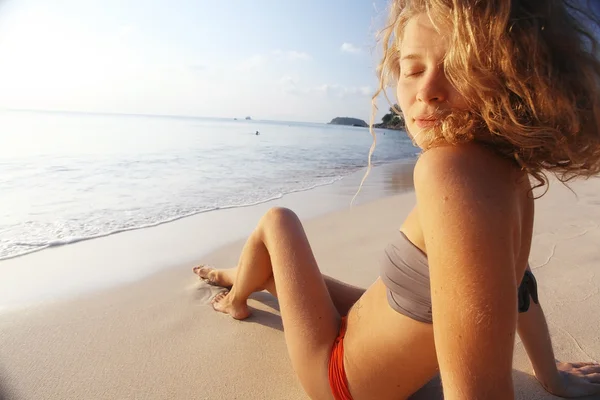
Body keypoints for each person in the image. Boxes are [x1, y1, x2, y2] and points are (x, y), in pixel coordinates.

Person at [194, 0, 600, 398]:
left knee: (278, 221)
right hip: (371, 331)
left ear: (514, 77)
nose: (427, 90)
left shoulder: (449, 171)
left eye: (460, 68)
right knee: (285, 271)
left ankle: (236, 300)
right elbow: (520, 286)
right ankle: (243, 277)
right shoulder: (509, 173)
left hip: (337, 376)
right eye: (412, 69)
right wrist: (552, 376)